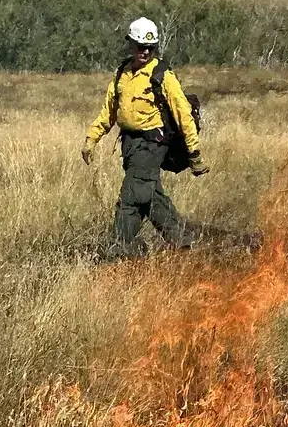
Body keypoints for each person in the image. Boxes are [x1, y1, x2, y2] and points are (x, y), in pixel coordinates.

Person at [81, 17, 209, 255]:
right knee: (149, 193)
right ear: (131, 44)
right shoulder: (122, 73)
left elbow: (183, 114)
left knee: (132, 194)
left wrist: (194, 152)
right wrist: (92, 139)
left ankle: (120, 245)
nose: (145, 52)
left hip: (152, 144)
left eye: (150, 47)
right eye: (141, 47)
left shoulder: (162, 75)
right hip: (129, 144)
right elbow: (109, 111)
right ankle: (181, 240)